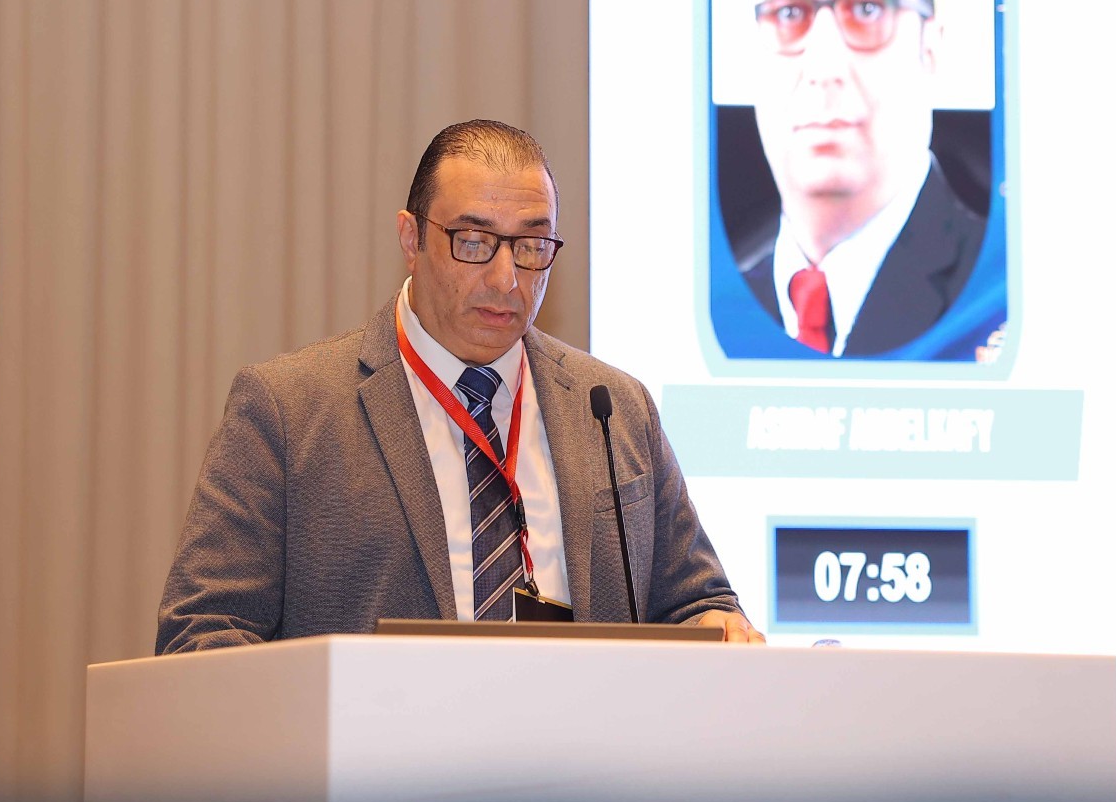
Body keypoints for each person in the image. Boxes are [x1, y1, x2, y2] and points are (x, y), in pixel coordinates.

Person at [157, 119, 762, 652]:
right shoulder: (288, 411)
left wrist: (716, 626)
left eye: (531, 246)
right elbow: (202, 633)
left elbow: (695, 602)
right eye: (473, 242)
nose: (506, 279)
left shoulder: (613, 408)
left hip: (584, 747)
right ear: (411, 239)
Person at [734, 0, 986, 358]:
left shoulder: (997, 296)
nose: (823, 65)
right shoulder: (721, 305)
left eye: (867, 8)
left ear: (931, 47)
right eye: (789, 12)